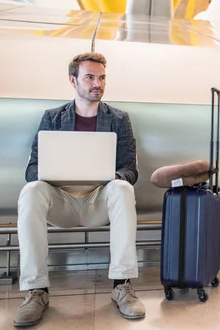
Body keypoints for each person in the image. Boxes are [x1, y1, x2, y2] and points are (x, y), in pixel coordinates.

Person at [13, 52, 145, 327]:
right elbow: (31, 170)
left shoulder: (119, 119)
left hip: (99, 201)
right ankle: (36, 291)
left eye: (102, 77)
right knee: (32, 190)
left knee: (122, 188)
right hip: (61, 202)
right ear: (73, 80)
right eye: (90, 77)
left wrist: (109, 176)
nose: (98, 83)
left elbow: (131, 170)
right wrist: (54, 172)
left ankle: (122, 285)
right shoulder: (52, 118)